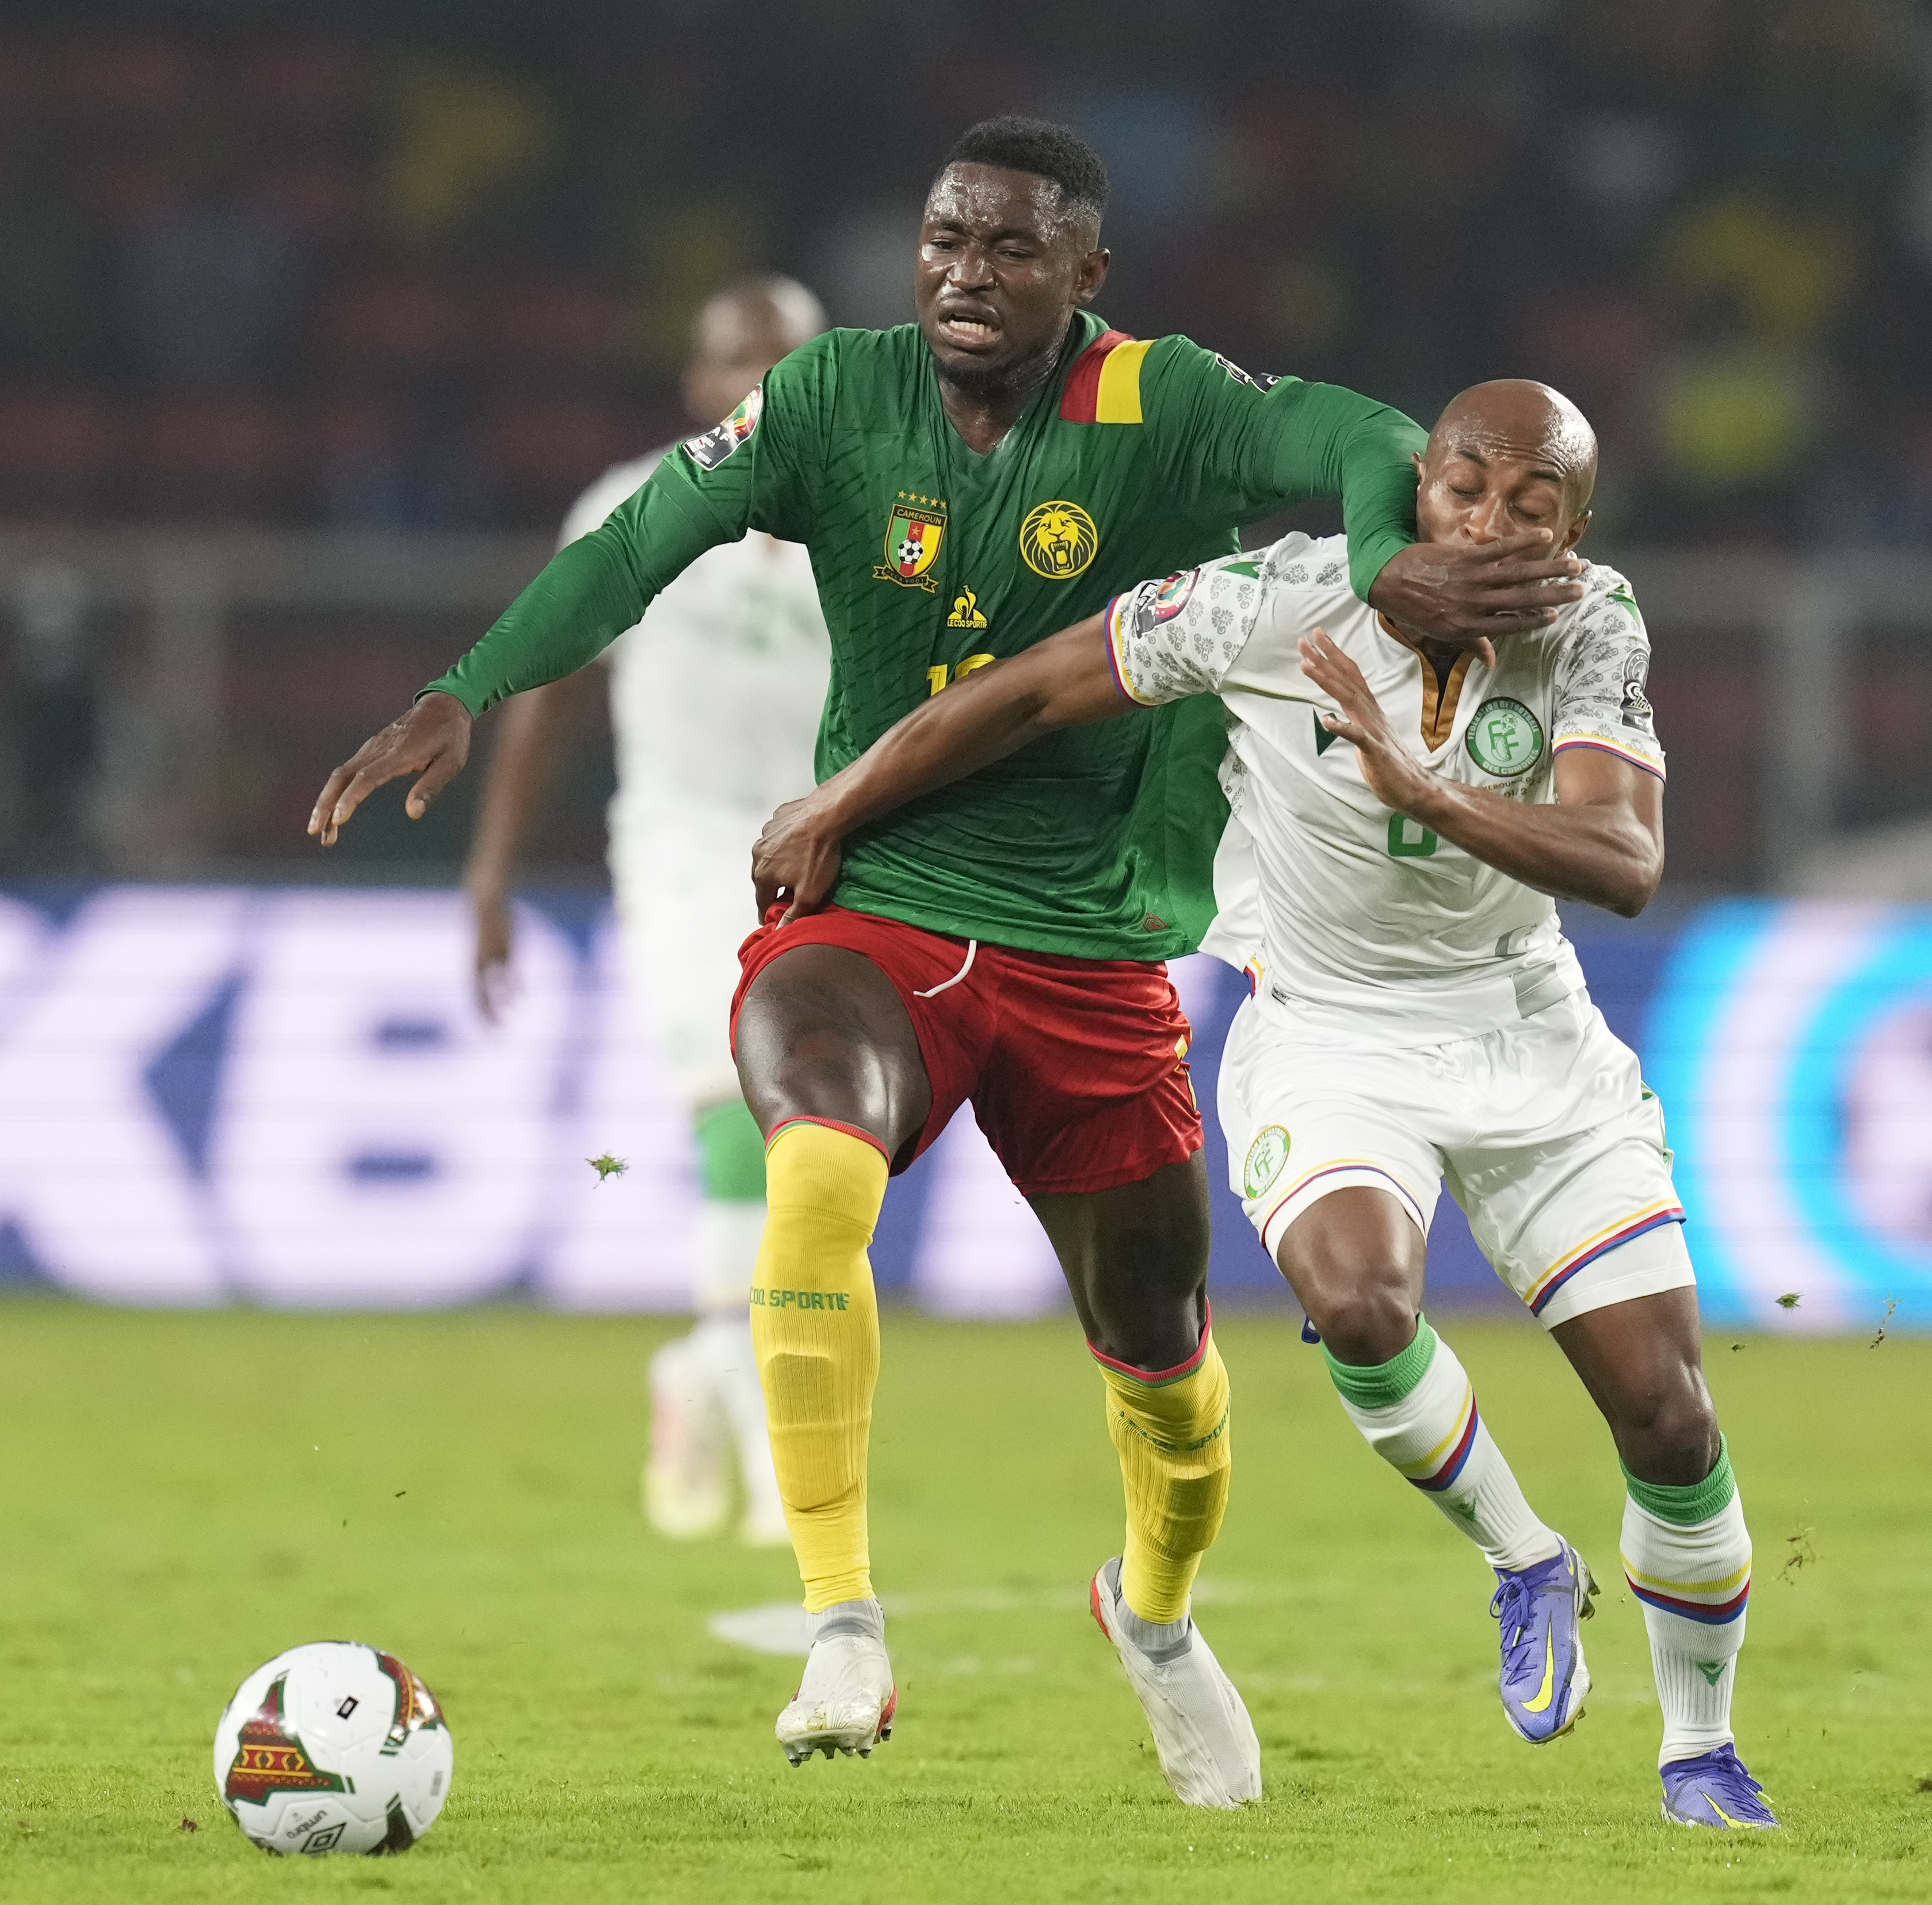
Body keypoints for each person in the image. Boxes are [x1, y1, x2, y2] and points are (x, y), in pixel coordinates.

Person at [307, 115, 1582, 1804]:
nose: (964, 276)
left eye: (1007, 250)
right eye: (941, 241)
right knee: (810, 1164)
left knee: (1164, 1364)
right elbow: (629, 550)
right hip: (872, 891)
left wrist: (1381, 566)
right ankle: (839, 1614)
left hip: (1089, 940)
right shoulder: (837, 395)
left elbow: (1359, 429)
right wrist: (461, 691)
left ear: (1084, 274)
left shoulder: (1157, 401)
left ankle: (1153, 1619)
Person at [751, 380, 1777, 1831]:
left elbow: (1619, 859)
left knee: (1668, 1418)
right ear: (1415, 489)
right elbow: (1037, 685)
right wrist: (841, 797)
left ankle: (1699, 1749)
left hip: (1526, 1036)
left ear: (1573, 531)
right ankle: (1523, 1558)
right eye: (1466, 490)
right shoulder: (1273, 604)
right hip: (1327, 1034)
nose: (1491, 526)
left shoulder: (1592, 623)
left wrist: (1422, 795)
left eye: (1530, 508)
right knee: (1358, 1303)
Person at [462, 277, 830, 1548]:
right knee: (743, 1114)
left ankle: (704, 1365)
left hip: (828, 852)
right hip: (679, 851)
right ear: (697, 383)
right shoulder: (631, 510)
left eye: (786, 358)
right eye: (738, 359)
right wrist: (492, 873)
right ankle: (753, 1391)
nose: (761, 380)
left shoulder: (883, 524)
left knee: (815, 1144)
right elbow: (549, 691)